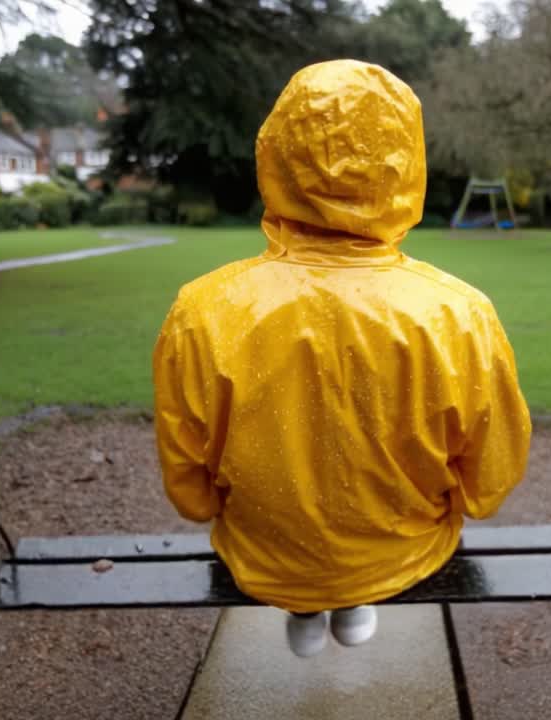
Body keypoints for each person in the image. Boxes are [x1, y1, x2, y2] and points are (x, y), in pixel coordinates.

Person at [152, 59, 531, 658]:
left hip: (263, 553)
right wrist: (452, 503)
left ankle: (306, 604)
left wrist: (208, 507)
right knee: (362, 551)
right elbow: (492, 470)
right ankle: (354, 597)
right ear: (406, 163)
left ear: (275, 155)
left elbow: (187, 468)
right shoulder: (456, 313)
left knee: (306, 554)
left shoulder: (205, 308)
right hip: (404, 550)